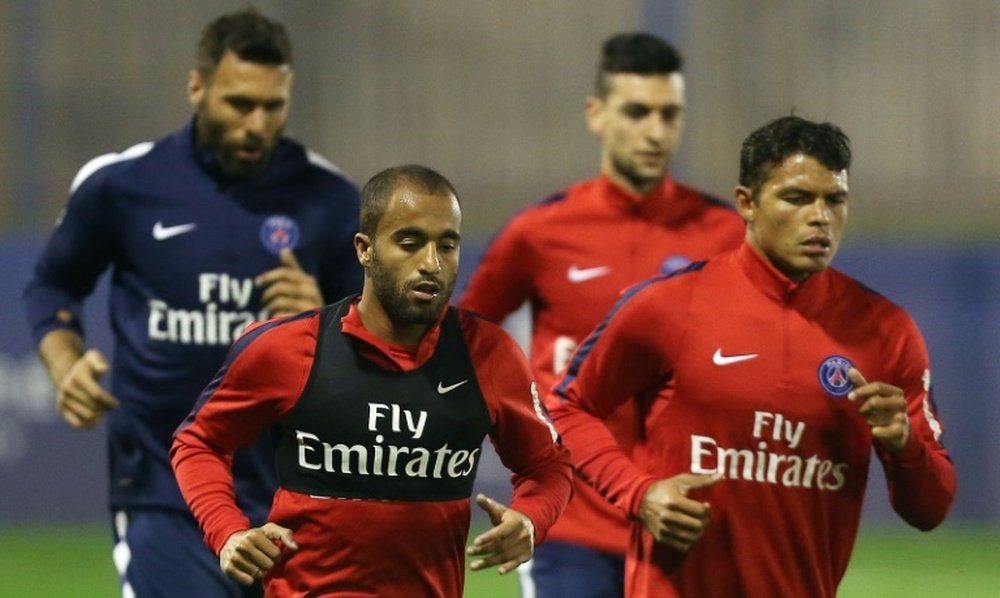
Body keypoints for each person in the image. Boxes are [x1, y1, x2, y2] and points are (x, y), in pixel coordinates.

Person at [23, 8, 362, 597]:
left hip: (295, 499)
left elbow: (389, 346)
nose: (258, 124)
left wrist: (328, 317)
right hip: (164, 493)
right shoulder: (123, 186)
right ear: (196, 87)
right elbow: (52, 284)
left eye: (273, 106)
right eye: (239, 104)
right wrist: (64, 365)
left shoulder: (330, 199)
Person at [548, 115, 957, 597]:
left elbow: (931, 510)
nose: (820, 217)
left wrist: (903, 443)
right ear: (746, 203)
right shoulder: (669, 306)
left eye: (835, 200)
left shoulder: (886, 331)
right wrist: (640, 494)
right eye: (798, 198)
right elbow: (565, 409)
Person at [170, 164, 573, 596]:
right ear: (365, 249)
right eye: (410, 243)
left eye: (448, 245)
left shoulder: (489, 356)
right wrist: (227, 532)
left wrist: (531, 518)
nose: (431, 264)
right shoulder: (287, 349)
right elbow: (198, 443)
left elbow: (548, 464)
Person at [458, 32, 744, 597]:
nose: (656, 132)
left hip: (683, 522)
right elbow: (466, 343)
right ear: (597, 114)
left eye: (670, 114)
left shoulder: (726, 235)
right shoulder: (540, 233)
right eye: (637, 112)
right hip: (571, 520)